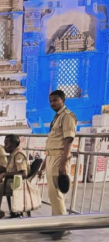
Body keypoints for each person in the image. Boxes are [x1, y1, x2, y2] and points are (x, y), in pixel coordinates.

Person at [38, 89, 77, 220]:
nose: (52, 103)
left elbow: (68, 140)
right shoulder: (57, 118)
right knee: (53, 193)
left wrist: (62, 164)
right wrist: (43, 166)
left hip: (59, 158)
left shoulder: (67, 116)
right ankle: (55, 223)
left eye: (55, 100)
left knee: (56, 193)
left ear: (63, 100)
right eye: (50, 101)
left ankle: (62, 225)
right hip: (51, 157)